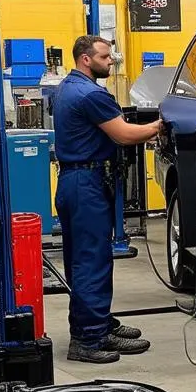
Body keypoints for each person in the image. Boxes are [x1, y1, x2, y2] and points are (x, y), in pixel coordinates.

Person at [53, 35, 163, 363]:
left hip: (75, 181)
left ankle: (97, 324)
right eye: (104, 56)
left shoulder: (68, 88)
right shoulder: (90, 94)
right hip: (86, 183)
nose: (111, 61)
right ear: (85, 59)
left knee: (85, 259)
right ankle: (88, 339)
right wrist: (162, 124)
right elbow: (124, 134)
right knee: (91, 261)